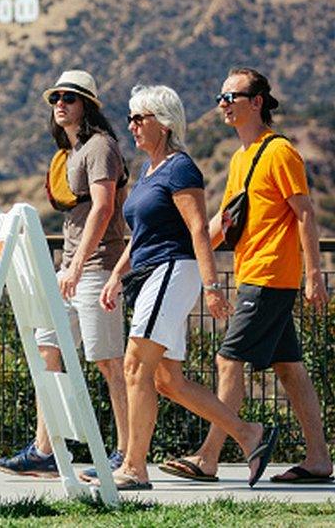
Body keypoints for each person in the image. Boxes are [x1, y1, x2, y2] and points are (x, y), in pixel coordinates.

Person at [97, 85, 278, 490]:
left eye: (139, 118)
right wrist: (115, 275)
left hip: (172, 272)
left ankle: (134, 467)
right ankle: (250, 434)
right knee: (166, 381)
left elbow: (198, 228)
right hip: (149, 274)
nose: (132, 125)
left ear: (163, 123)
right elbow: (142, 237)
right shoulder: (147, 170)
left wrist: (212, 286)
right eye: (130, 118)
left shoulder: (181, 168)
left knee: (134, 366)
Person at [161, 68, 333, 484]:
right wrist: (189, 247)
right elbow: (227, 219)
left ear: (256, 102)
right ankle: (319, 459)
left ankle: (209, 456)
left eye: (231, 96)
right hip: (254, 271)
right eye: (221, 96)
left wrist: (315, 274)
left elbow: (305, 212)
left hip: (271, 273)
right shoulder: (242, 157)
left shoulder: (280, 152)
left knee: (227, 359)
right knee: (290, 368)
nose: (223, 103)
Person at [0, 70, 129, 480]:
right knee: (47, 351)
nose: (60, 104)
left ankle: (126, 452)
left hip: (96, 267)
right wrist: (66, 267)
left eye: (70, 97)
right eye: (56, 98)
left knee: (108, 362)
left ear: (87, 105)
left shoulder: (101, 148)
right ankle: (45, 449)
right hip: (69, 268)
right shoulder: (71, 154)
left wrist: (75, 265)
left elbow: (104, 209)